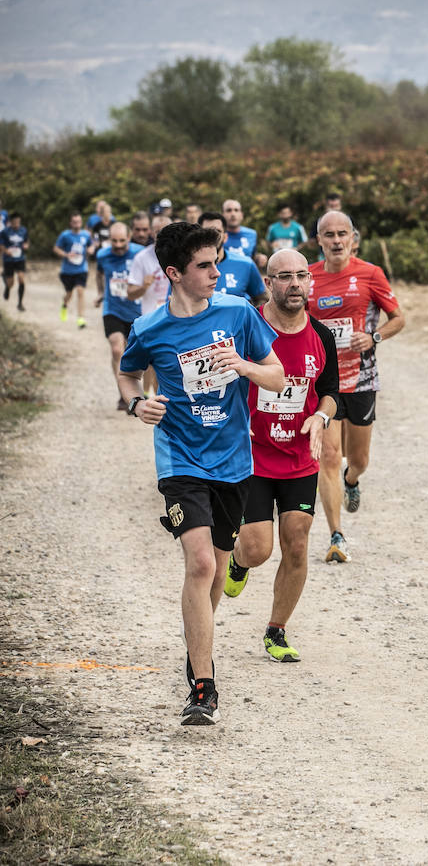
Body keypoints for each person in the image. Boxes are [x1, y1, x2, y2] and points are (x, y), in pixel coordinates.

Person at [117, 221, 284, 726]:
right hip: (180, 459)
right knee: (200, 566)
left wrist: (245, 365)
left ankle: (197, 654)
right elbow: (128, 374)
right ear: (173, 273)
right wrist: (136, 404)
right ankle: (205, 688)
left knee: (215, 566)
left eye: (217, 262)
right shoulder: (149, 330)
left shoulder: (237, 313)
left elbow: (276, 376)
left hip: (233, 462)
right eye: (205, 266)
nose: (217, 273)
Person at [223, 249, 339, 664]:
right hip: (252, 454)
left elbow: (330, 392)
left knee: (297, 542)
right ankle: (239, 562)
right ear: (268, 283)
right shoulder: (245, 325)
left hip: (299, 458)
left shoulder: (321, 336)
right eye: (283, 277)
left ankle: (277, 630)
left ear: (310, 281)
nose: (294, 284)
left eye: (301, 276)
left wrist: (321, 418)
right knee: (257, 549)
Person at [308, 211, 405, 564]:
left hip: (361, 378)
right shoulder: (308, 277)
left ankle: (353, 480)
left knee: (358, 459)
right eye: (328, 234)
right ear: (318, 240)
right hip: (322, 383)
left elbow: (399, 319)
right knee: (329, 456)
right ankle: (336, 535)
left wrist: (373, 336)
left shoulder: (370, 274)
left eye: (342, 234)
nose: (336, 240)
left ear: (353, 238)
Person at [94, 222, 145, 410]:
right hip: (112, 309)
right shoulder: (102, 255)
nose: (118, 245)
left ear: (129, 237)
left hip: (136, 311)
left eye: (122, 240)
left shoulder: (140, 253)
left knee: (137, 354)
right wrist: (100, 292)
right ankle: (125, 397)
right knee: (117, 350)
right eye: (114, 241)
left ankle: (136, 390)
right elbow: (99, 274)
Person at [127, 213, 174, 394]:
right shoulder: (142, 258)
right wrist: (144, 286)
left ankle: (157, 398)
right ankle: (152, 397)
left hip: (177, 317)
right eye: (158, 232)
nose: (161, 235)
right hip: (152, 318)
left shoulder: (182, 257)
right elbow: (130, 294)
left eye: (166, 231)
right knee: (156, 362)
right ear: (152, 234)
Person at [203, 211, 266, 306]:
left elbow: (262, 299)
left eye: (217, 231)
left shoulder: (246, 263)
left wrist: (250, 318)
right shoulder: (189, 267)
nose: (212, 236)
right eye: (207, 231)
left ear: (225, 237)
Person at [54, 212, 93, 327]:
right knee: (69, 294)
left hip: (81, 269)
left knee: (80, 291)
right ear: (71, 223)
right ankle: (64, 305)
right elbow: (56, 248)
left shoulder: (86, 235)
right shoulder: (65, 235)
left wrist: (91, 249)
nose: (77, 224)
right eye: (75, 222)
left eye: (79, 222)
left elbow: (91, 245)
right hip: (67, 271)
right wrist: (66, 254)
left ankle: (81, 318)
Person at [221, 199, 261, 269]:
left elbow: (253, 257)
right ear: (222, 215)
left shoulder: (252, 234)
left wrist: (259, 259)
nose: (233, 214)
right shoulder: (218, 235)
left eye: (236, 210)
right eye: (229, 210)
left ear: (241, 215)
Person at [2, 211, 30, 311]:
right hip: (8, 259)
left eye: (18, 222)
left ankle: (20, 303)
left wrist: (26, 246)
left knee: (21, 279)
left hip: (20, 258)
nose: (16, 224)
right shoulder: (5, 232)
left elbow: (26, 241)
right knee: (11, 283)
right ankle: (7, 287)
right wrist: (6, 251)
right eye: (14, 222)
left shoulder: (23, 230)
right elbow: (1, 245)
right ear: (11, 222)